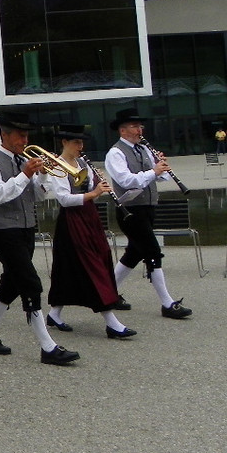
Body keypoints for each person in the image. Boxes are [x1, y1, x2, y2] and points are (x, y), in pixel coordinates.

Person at [0, 110, 80, 366]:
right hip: (3, 232)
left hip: (25, 229)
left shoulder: (24, 159)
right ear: (5, 135)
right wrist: (24, 174)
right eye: (20, 136)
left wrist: (42, 174)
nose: (25, 141)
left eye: (26, 136)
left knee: (11, 284)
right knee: (30, 284)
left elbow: (39, 196)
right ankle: (48, 346)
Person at [44, 125, 135, 339]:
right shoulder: (58, 166)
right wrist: (93, 193)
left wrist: (97, 185)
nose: (81, 146)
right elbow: (64, 199)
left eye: (82, 142)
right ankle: (111, 321)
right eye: (76, 142)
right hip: (72, 221)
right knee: (91, 265)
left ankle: (54, 313)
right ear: (64, 142)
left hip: (89, 217)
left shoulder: (83, 163)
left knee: (78, 265)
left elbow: (91, 190)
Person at [104, 109, 193, 320]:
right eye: (135, 126)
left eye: (140, 126)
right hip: (130, 210)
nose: (140, 130)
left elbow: (159, 178)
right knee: (153, 251)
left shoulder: (143, 148)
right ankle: (167, 303)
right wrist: (153, 171)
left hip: (148, 207)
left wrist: (160, 168)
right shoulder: (115, 153)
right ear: (123, 130)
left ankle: (108, 293)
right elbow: (126, 180)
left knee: (134, 253)